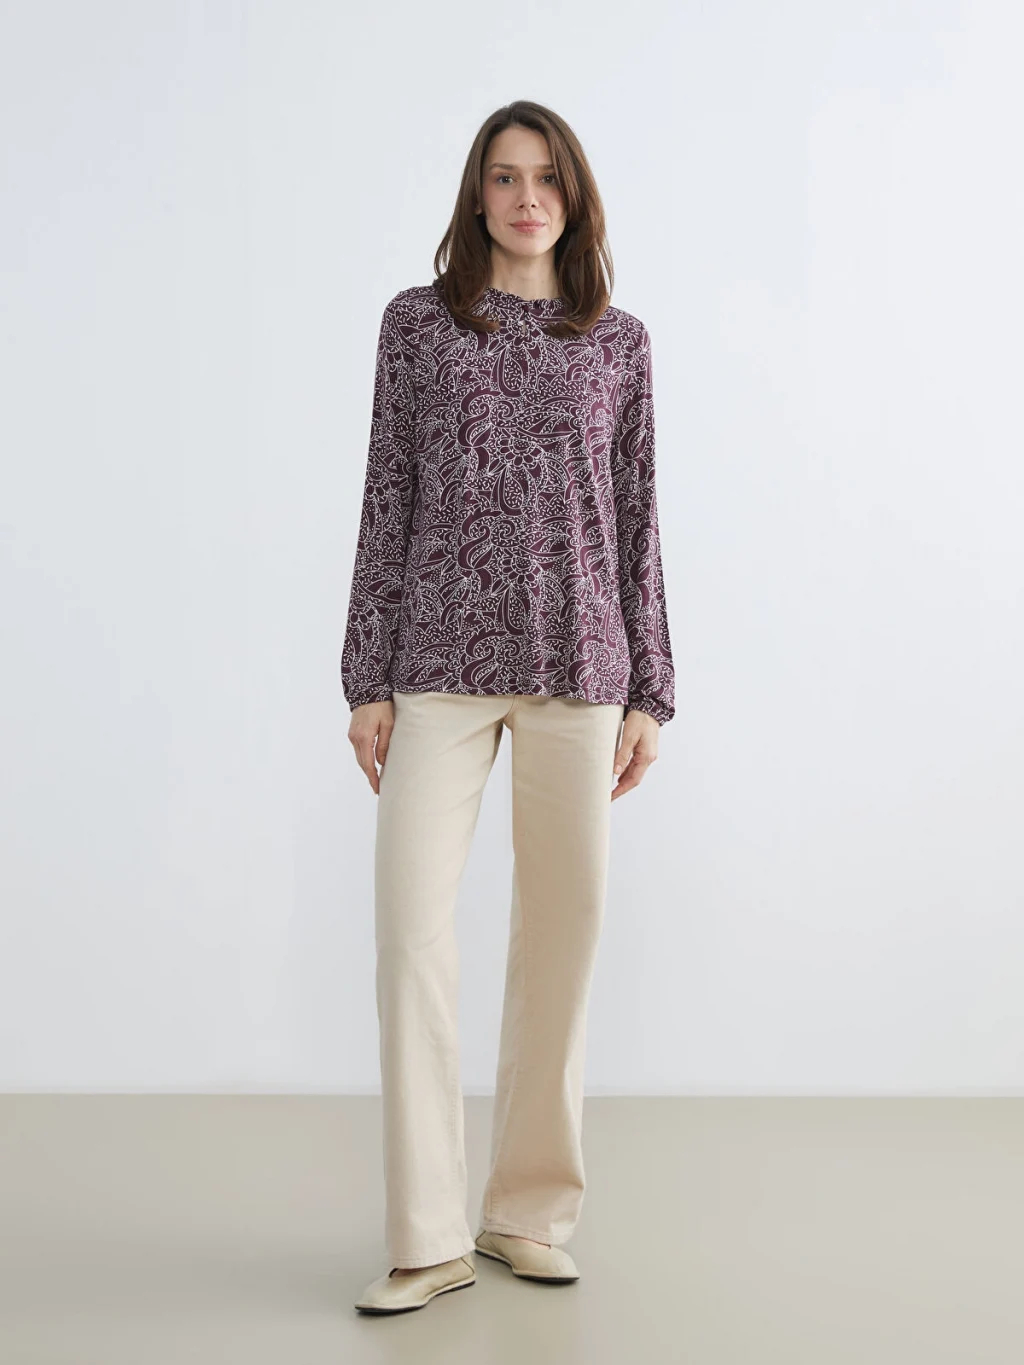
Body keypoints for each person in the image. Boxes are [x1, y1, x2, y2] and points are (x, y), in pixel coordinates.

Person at [342, 100, 675, 1315]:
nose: (526, 197)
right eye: (503, 177)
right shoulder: (416, 326)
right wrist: (365, 676)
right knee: (410, 934)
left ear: (572, 197)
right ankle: (426, 1238)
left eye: (546, 178)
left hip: (580, 666)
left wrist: (650, 691)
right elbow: (385, 494)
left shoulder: (618, 342)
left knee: (561, 940)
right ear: (475, 196)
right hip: (436, 663)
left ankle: (526, 1214)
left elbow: (636, 517)